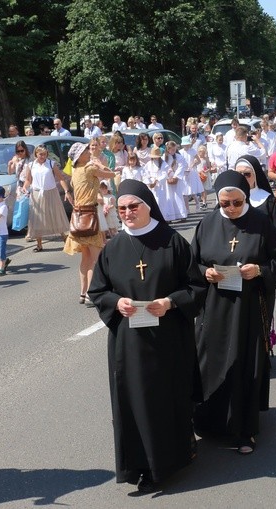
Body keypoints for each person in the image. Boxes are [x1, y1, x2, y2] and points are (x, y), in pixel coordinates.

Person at [87, 179, 206, 493]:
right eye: (122, 208)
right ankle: (139, 465)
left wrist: (169, 302)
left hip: (169, 338)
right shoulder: (113, 247)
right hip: (129, 342)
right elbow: (98, 290)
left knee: (168, 396)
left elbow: (196, 286)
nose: (126, 213)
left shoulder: (172, 242)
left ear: (148, 206)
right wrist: (117, 302)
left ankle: (174, 458)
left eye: (133, 207)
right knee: (135, 400)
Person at [191, 171, 276, 455]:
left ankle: (245, 430)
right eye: (225, 204)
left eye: (236, 202)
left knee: (243, 363)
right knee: (209, 362)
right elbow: (192, 263)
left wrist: (259, 270)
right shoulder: (207, 224)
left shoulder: (261, 223)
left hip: (248, 307)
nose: (231, 208)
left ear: (245, 197)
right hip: (214, 306)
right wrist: (205, 272)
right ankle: (209, 422)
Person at [64, 142, 116, 304]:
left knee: (85, 257)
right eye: (86, 150)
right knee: (95, 258)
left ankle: (83, 292)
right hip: (89, 214)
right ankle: (91, 294)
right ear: (79, 156)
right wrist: (100, 163)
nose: (89, 151)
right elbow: (111, 175)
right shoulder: (89, 169)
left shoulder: (76, 170)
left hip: (78, 215)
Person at [22, 145, 72, 252]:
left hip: (51, 192)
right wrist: (24, 187)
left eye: (44, 154)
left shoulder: (51, 163)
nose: (42, 156)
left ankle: (64, 238)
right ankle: (39, 244)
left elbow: (61, 178)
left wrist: (67, 191)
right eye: (40, 154)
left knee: (55, 215)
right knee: (37, 218)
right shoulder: (31, 165)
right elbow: (28, 180)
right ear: (36, 154)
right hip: (36, 193)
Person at [0, 186, 10, 276]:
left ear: (0, 197)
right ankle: (1, 262)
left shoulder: (3, 206)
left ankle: (2, 268)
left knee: (1, 250)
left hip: (2, 233)